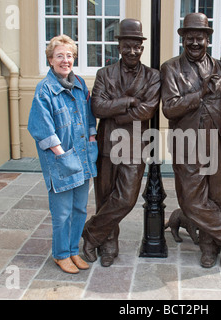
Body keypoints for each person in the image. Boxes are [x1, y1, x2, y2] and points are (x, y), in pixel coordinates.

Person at [161, 13, 221, 268]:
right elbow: (170, 108)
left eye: (200, 38)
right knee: (191, 200)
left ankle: (210, 247)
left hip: (218, 142)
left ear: (208, 39)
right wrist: (200, 93)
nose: (194, 43)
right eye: (189, 38)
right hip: (187, 143)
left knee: (217, 198)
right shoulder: (171, 68)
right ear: (182, 39)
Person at [82, 19, 161, 267]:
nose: (132, 51)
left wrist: (114, 109)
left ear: (142, 48)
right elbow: (97, 106)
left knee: (126, 198)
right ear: (119, 46)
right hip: (106, 146)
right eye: (127, 46)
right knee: (105, 198)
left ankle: (91, 233)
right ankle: (108, 242)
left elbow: (148, 111)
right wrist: (128, 101)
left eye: (137, 46)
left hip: (136, 147)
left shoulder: (153, 76)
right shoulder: (104, 74)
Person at [28, 35, 98, 274]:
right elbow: (40, 127)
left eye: (69, 55)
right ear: (50, 60)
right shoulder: (44, 89)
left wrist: (91, 139)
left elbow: (89, 118)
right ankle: (60, 254)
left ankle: (73, 250)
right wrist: (61, 153)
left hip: (82, 156)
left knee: (80, 209)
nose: (65, 60)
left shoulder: (79, 84)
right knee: (62, 212)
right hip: (61, 160)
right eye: (59, 56)